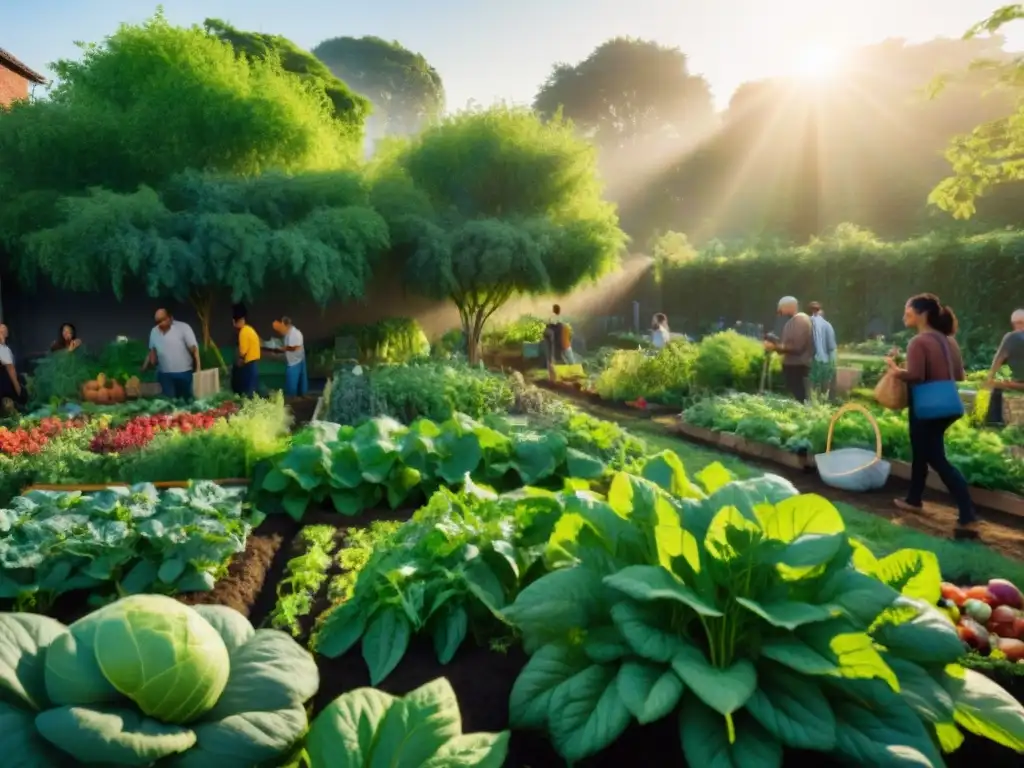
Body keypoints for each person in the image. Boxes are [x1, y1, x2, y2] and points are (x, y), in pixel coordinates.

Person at [885, 293, 979, 535]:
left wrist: (896, 371)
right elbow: (959, 375)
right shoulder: (950, 341)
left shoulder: (919, 341)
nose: (904, 316)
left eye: (908, 312)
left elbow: (916, 375)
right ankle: (913, 500)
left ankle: (968, 513)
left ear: (922, 314)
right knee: (922, 451)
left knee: (936, 458)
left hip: (926, 406)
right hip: (948, 404)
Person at [142, 308, 200, 400]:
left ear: (170, 318)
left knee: (186, 400)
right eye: (158, 321)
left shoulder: (183, 328)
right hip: (164, 374)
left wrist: (198, 368)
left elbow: (194, 349)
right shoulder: (154, 332)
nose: (160, 323)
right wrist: (144, 368)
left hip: (184, 372)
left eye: (163, 319)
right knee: (169, 402)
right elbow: (152, 351)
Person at [764, 296, 813, 403]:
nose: (779, 311)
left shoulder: (800, 320)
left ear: (789, 307)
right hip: (793, 366)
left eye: (781, 308)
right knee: (795, 396)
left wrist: (775, 347)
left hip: (798, 366)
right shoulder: (793, 321)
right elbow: (788, 344)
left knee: (800, 397)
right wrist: (775, 343)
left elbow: (797, 347)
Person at [983, 309, 1024, 424]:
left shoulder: (1012, 337)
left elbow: (999, 359)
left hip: (1021, 384)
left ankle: (994, 421)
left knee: (996, 386)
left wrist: (990, 378)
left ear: (1015, 323)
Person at [808, 302, 837, 400]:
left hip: (811, 359)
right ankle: (822, 401)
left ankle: (812, 400)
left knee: (812, 382)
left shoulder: (807, 322)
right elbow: (831, 346)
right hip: (824, 359)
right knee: (824, 382)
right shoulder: (827, 325)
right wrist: (832, 363)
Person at [232, 305, 261, 397]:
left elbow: (243, 351)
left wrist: (238, 362)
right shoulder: (249, 329)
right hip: (254, 362)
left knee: (248, 391)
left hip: (248, 364)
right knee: (253, 388)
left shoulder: (243, 332)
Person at [275, 316, 307, 397]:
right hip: (293, 361)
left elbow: (294, 348)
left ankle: (295, 398)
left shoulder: (295, 334)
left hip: (296, 362)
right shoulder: (288, 333)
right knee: (295, 385)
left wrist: (282, 349)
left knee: (292, 387)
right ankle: (297, 397)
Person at [0, 323, 27, 414]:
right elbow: (10, 368)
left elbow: (11, 368)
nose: (2, 331)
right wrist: (17, 388)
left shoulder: (7, 348)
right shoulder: (2, 348)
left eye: (4, 330)